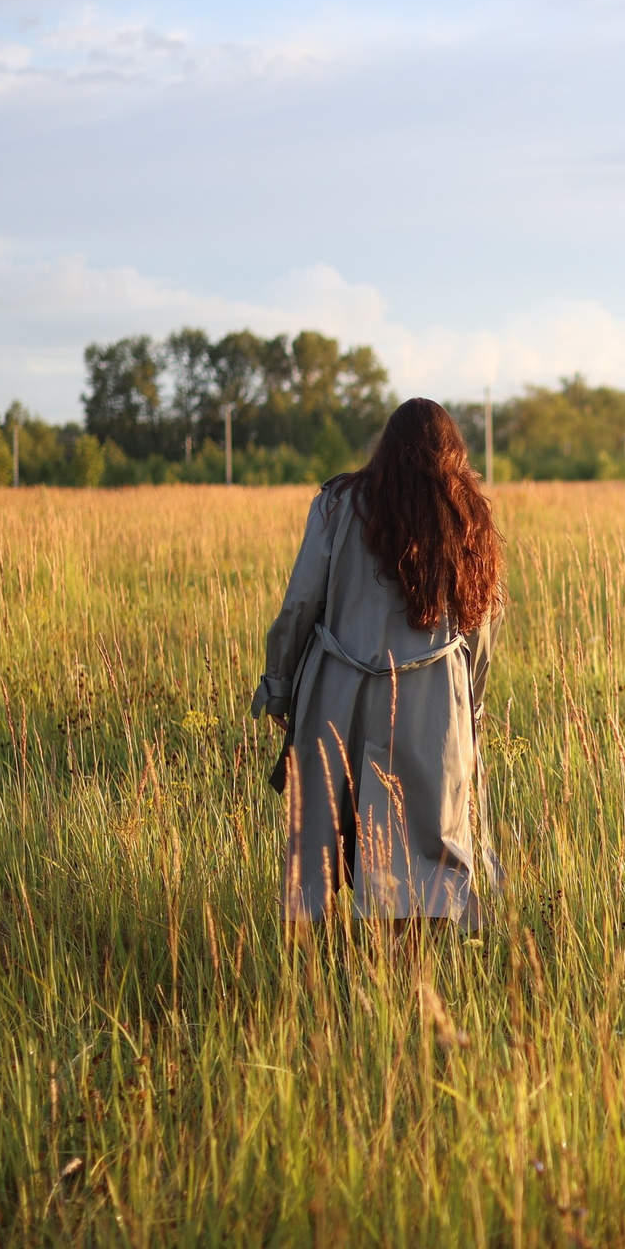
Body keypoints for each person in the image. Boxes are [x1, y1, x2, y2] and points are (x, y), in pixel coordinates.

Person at [253, 398, 502, 932]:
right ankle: (407, 974)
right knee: (426, 844)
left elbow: (300, 605)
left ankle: (314, 977)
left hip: (336, 693)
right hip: (434, 702)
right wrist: (470, 711)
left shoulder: (337, 504)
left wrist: (279, 689)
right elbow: (481, 628)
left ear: (384, 448)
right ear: (454, 452)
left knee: (318, 840)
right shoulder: (469, 514)